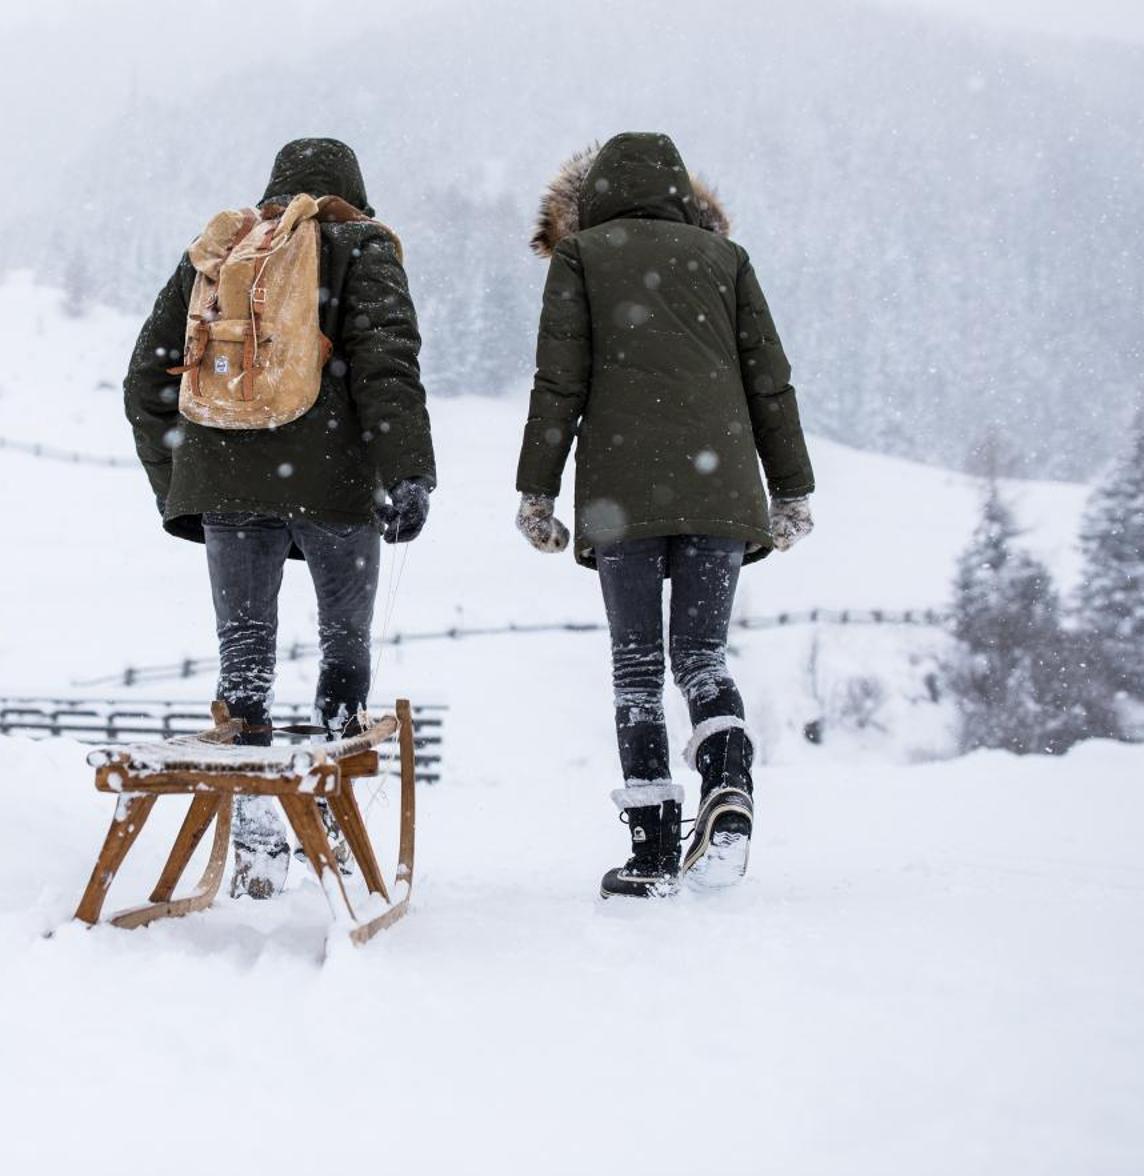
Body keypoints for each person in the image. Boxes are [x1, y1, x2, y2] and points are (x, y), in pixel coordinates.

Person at [124, 137, 436, 898]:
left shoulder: (221, 250)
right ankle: (326, 818)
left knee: (244, 662)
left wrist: (184, 483)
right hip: (332, 485)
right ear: (353, 197)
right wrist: (409, 474)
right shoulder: (364, 247)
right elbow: (386, 366)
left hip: (226, 483)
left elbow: (145, 377)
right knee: (342, 646)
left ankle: (259, 845)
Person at [513, 133, 814, 898]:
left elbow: (559, 383)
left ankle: (650, 854)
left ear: (598, 194)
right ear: (682, 189)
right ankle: (731, 794)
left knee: (638, 672)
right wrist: (792, 488)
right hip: (721, 494)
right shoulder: (726, 260)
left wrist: (537, 490)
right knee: (704, 661)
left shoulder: (582, 257)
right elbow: (769, 383)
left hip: (623, 498)